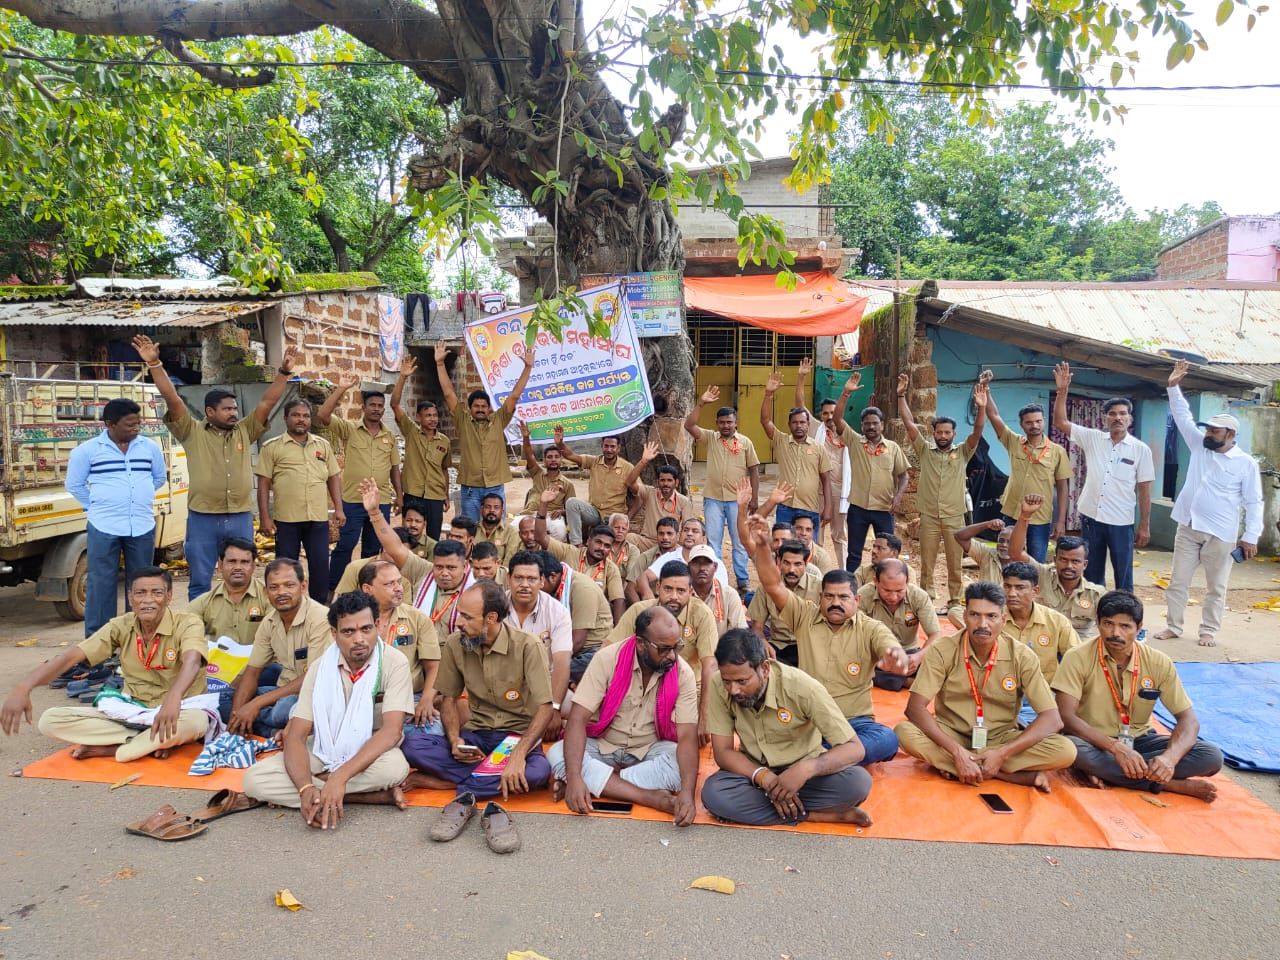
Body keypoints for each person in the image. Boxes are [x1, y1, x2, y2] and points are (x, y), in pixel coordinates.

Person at [134, 334, 296, 599]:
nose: (234, 413)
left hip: (240, 517)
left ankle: (239, 622)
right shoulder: (191, 432)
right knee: (200, 580)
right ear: (210, 412)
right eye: (227, 409)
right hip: (203, 519)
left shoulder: (244, 430)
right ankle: (199, 624)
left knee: (241, 579)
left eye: (235, 409)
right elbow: (172, 398)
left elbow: (267, 402)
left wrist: (284, 373)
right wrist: (155, 364)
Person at [744, 513, 908, 764]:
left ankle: (817, 760)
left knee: (887, 739)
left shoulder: (871, 628)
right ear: (820, 597)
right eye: (829, 597)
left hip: (854, 722)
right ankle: (837, 759)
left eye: (843, 597)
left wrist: (896, 655)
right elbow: (773, 585)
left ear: (856, 600)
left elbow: (889, 645)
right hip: (811, 721)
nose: (835, 603)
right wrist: (764, 545)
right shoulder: (805, 616)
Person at [240, 591, 414, 825]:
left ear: (377, 625)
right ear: (334, 633)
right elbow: (296, 734)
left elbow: (391, 732)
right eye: (348, 632)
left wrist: (339, 777)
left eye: (366, 629)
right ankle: (364, 796)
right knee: (255, 780)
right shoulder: (320, 668)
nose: (359, 639)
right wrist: (304, 787)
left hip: (371, 748)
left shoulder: (395, 663)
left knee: (394, 769)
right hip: (324, 744)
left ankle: (330, 791)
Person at [2, 567, 209, 761]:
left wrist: (174, 697)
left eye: (156, 593)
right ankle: (144, 743)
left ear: (169, 596)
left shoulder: (188, 623)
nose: (148, 600)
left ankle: (117, 749)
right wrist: (24, 687)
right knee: (50, 721)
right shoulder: (121, 625)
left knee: (197, 722)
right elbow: (69, 658)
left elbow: (192, 661)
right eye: (140, 593)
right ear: (130, 597)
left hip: (180, 709)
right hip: (133, 711)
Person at [407, 582, 554, 854]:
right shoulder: (455, 643)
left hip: (516, 739)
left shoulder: (527, 646)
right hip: (476, 736)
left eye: (466, 617)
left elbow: (546, 708)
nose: (458, 622)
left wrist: (519, 755)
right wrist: (455, 740)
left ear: (491, 618)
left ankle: (452, 786)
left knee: (537, 772)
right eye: (459, 614)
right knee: (412, 745)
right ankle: (481, 779)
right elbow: (449, 699)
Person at [895, 581, 1077, 793]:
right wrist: (957, 752)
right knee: (903, 732)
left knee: (1066, 750)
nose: (983, 624)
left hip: (1001, 738)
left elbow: (1052, 719)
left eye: (991, 616)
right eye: (975, 615)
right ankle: (1003, 774)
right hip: (952, 734)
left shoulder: (1022, 656)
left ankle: (968, 766)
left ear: (1003, 619)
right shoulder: (942, 650)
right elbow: (914, 708)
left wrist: (1002, 754)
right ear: (965, 617)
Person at [1053, 590, 1223, 801]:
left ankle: (1109, 773)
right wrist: (1115, 748)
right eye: (1108, 624)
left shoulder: (1158, 662)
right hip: (1092, 741)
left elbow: (1189, 720)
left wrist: (1169, 759)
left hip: (1140, 740)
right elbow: (1066, 717)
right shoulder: (1077, 657)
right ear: (1098, 622)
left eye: (1125, 626)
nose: (1115, 633)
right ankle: (1169, 784)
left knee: (1211, 755)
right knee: (1070, 749)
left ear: (1139, 627)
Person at [701, 629, 873, 827]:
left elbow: (854, 748)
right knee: (714, 794)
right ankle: (817, 815)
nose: (733, 690)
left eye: (742, 681)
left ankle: (769, 808)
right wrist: (764, 777)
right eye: (727, 681)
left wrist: (805, 770)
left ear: (765, 669)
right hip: (754, 774)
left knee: (858, 783)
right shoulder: (718, 685)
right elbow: (723, 752)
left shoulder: (803, 688)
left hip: (804, 777)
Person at [550, 606, 700, 823]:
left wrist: (687, 793)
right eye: (664, 649)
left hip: (648, 749)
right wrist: (574, 778)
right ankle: (649, 797)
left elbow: (687, 736)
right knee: (557, 753)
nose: (672, 656)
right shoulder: (607, 659)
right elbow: (577, 719)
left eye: (677, 647)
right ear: (640, 644)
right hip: (603, 744)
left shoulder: (682, 673)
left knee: (681, 768)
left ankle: (602, 783)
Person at [1154, 359, 1264, 647]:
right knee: (1178, 581)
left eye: (1215, 431)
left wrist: (1250, 536)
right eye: (1208, 429)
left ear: (1230, 435)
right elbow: (1182, 417)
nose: (1208, 434)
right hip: (1188, 527)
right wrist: (1173, 386)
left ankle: (1208, 631)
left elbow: (1254, 502)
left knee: (1216, 586)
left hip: (1221, 534)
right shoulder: (1199, 446)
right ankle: (1173, 626)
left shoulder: (1245, 463)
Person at [66, 396, 167, 638]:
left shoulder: (149, 448)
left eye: (138, 423)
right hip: (104, 525)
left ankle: (140, 638)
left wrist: (137, 497)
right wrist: (96, 505)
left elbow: (158, 478)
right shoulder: (87, 451)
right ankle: (100, 641)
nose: (136, 428)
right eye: (130, 424)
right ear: (110, 424)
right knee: (101, 584)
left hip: (141, 524)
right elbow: (74, 484)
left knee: (142, 584)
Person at [1051, 362, 1154, 591]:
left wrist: (1144, 525)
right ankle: (1092, 609)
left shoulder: (1141, 450)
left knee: (1123, 574)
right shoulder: (1093, 438)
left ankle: (1125, 610)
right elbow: (1060, 422)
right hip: (1091, 518)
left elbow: (1145, 491)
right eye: (1112, 414)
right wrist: (1062, 391)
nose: (1118, 418)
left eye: (1123, 414)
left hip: (1121, 521)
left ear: (1130, 419)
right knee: (1091, 574)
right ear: (1105, 418)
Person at [899, 373, 987, 618]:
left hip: (954, 517)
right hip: (928, 516)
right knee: (926, 562)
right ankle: (927, 600)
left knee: (954, 563)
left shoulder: (963, 452)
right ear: (934, 433)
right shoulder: (925, 450)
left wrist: (981, 407)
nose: (943, 436)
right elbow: (908, 423)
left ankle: (955, 601)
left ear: (954, 434)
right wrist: (901, 395)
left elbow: (978, 430)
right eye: (939, 432)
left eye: (947, 432)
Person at [606, 561, 720, 741]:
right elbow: (609, 650)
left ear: (690, 591)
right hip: (642, 685)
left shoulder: (702, 614)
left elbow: (710, 666)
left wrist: (705, 717)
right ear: (658, 587)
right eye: (668, 589)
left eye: (681, 591)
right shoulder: (639, 611)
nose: (674, 596)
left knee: (682, 734)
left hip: (687, 690)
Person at [316, 372, 403, 593]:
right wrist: (341, 388)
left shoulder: (389, 436)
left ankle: (368, 591)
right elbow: (323, 415)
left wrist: (399, 496)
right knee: (345, 545)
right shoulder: (350, 430)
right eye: (372, 405)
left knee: (373, 549)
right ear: (363, 407)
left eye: (380, 406)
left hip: (381, 501)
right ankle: (334, 589)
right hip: (353, 499)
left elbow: (394, 468)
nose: (376, 409)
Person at [227, 558, 332, 737]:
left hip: (315, 693)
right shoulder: (269, 622)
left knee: (282, 711)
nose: (281, 592)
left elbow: (313, 678)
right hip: (283, 691)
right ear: (266, 592)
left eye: (289, 585)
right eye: (274, 587)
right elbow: (252, 672)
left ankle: (275, 729)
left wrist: (255, 704)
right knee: (227, 699)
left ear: (303, 586)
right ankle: (275, 732)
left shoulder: (320, 618)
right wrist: (235, 717)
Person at [435, 339, 535, 522]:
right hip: (470, 488)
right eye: (476, 406)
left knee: (497, 529)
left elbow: (515, 395)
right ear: (470, 408)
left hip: (494, 487)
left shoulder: (499, 420)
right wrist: (440, 364)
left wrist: (528, 367)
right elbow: (449, 393)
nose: (480, 409)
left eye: (483, 406)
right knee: (471, 529)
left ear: (489, 408)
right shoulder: (463, 421)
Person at [255, 398, 343, 603]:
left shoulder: (322, 446)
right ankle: (288, 606)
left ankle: (319, 609)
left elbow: (333, 477)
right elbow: (263, 484)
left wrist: (339, 508)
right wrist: (265, 518)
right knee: (286, 569)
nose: (301, 419)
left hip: (317, 519)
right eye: (295, 415)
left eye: (305, 416)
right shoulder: (272, 447)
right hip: (287, 520)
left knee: (320, 566)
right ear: (286, 418)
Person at [981, 370, 1071, 562]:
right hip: (1012, 512)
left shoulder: (1057, 451)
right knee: (1008, 558)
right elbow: (994, 415)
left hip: (1039, 517)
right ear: (1022, 425)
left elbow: (1063, 488)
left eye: (1038, 421)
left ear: (1044, 421)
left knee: (1035, 562)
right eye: (1029, 422)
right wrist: (986, 388)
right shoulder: (1014, 442)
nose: (1034, 425)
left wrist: (1061, 521)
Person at [684, 387, 760, 591]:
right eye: (722, 422)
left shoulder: (745, 443)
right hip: (713, 498)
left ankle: (742, 581)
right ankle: (716, 580)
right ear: (717, 423)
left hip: (738, 500)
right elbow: (689, 425)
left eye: (729, 422)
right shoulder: (710, 438)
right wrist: (701, 403)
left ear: (736, 423)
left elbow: (754, 470)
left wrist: (754, 498)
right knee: (714, 542)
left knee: (740, 541)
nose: (726, 425)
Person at [836, 372, 911, 574]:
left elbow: (904, 475)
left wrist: (898, 497)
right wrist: (845, 393)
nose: (870, 426)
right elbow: (837, 419)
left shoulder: (893, 448)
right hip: (858, 508)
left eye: (875, 423)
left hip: (884, 510)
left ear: (882, 425)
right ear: (862, 426)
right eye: (867, 423)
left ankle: (885, 582)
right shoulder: (854, 441)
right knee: (854, 554)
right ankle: (851, 585)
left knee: (886, 554)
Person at [1010, 494, 1104, 641]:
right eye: (1063, 560)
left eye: (1075, 561)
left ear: (1085, 564)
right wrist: (1025, 516)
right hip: (1043, 643)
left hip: (1076, 649)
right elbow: (1016, 553)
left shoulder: (1096, 594)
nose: (1069, 566)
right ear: (1054, 560)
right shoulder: (1042, 574)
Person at [505, 551, 574, 738]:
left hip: (545, 687)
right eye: (518, 578)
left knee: (582, 714)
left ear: (542, 581)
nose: (525, 585)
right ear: (508, 579)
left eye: (532, 579)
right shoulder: (495, 607)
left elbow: (561, 664)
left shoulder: (558, 612)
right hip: (503, 685)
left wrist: (555, 708)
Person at [357, 560, 440, 713]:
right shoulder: (350, 619)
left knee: (433, 727)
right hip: (359, 699)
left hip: (409, 699)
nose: (398, 588)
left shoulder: (417, 618)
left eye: (399, 582)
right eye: (389, 584)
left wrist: (426, 701)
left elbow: (433, 666)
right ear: (367, 589)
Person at [761, 369, 834, 539]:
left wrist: (828, 507)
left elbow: (826, 480)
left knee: (807, 547)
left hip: (810, 508)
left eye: (802, 422)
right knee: (783, 544)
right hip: (785, 507)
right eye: (795, 423)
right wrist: (768, 394)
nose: (799, 426)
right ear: (789, 425)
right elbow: (765, 420)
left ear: (808, 424)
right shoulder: (781, 441)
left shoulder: (818, 448)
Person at [794, 358, 851, 568]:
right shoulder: (816, 429)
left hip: (840, 490)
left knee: (839, 535)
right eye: (825, 413)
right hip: (817, 489)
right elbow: (800, 405)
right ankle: (816, 572)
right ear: (820, 415)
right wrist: (802, 377)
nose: (829, 416)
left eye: (833, 413)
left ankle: (843, 572)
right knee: (816, 532)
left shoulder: (848, 435)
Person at [535, 492, 626, 621]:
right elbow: (540, 537)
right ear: (588, 541)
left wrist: (618, 630)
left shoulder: (611, 569)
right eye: (598, 542)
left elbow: (619, 601)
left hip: (591, 617)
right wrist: (543, 504)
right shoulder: (569, 552)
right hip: (562, 613)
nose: (601, 548)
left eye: (607, 546)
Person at [391, 355, 452, 540]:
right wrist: (403, 377)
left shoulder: (444, 441)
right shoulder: (411, 432)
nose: (433, 419)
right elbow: (394, 404)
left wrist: (446, 494)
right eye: (428, 415)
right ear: (418, 417)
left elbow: (444, 470)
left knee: (433, 536)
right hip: (413, 494)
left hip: (435, 495)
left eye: (435, 415)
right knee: (409, 535)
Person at [859, 559, 940, 691]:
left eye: (899, 591)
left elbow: (935, 634)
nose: (893, 597)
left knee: (941, 662)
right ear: (875, 581)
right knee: (854, 666)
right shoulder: (862, 596)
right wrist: (880, 659)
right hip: (876, 655)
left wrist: (918, 657)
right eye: (886, 590)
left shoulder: (919, 597)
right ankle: (905, 681)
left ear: (907, 582)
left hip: (910, 653)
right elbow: (854, 635)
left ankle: (894, 679)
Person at [745, 535, 820, 667]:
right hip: (778, 647)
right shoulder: (767, 588)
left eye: (797, 564)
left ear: (806, 563)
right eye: (786, 563)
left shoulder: (819, 587)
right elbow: (757, 627)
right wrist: (763, 641)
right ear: (779, 561)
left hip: (809, 647)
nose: (791, 570)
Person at [540, 551, 614, 682]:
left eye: (537, 580)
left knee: (550, 672)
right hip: (565, 645)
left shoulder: (583, 588)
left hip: (590, 650)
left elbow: (578, 641)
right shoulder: (556, 586)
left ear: (552, 577)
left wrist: (549, 663)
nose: (534, 586)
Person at [999, 562, 1078, 684]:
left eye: (1020, 587)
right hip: (1004, 687)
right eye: (1007, 586)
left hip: (1047, 689)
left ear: (1035, 591)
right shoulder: (992, 619)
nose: (1011, 594)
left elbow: (1077, 659)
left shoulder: (1057, 621)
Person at [556, 427, 634, 546]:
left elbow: (640, 494)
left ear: (618, 448)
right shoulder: (594, 461)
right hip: (595, 512)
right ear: (601, 446)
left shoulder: (627, 467)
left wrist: (628, 517)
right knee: (572, 503)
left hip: (614, 515)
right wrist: (560, 444)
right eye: (606, 446)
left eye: (612, 446)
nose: (609, 450)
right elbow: (571, 455)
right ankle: (577, 545)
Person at [189, 537, 267, 648]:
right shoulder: (204, 602)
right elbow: (186, 631)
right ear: (220, 565)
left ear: (253, 566)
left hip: (260, 658)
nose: (238, 567)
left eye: (244, 562)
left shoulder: (269, 597)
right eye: (232, 561)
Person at [624, 445, 695, 551]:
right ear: (658, 482)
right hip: (649, 541)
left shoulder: (683, 501)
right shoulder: (649, 493)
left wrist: (677, 542)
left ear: (676, 483)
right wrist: (643, 461)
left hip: (671, 543)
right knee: (629, 538)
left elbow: (687, 527)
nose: (665, 484)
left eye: (669, 480)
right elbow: (629, 483)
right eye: (662, 480)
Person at [518, 419, 576, 542]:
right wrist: (526, 438)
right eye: (549, 457)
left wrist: (561, 511)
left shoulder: (568, 484)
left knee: (560, 532)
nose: (553, 460)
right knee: (513, 528)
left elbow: (571, 509)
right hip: (530, 513)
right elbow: (529, 455)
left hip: (551, 517)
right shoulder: (537, 472)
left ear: (561, 460)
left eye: (556, 457)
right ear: (544, 460)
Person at [332, 527, 416, 598]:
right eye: (398, 551)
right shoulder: (356, 567)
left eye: (405, 553)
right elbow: (340, 602)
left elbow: (404, 609)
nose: (401, 556)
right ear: (385, 546)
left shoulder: (406, 577)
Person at [689, 545, 748, 636]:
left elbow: (739, 633)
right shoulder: (681, 593)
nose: (702, 568)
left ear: (715, 567)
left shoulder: (729, 595)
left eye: (707, 563)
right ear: (688, 567)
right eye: (696, 563)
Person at [626, 516, 680, 602]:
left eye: (669, 533)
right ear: (657, 535)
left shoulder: (684, 555)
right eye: (661, 533)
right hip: (651, 602)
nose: (665, 537)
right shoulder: (646, 557)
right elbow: (630, 589)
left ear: (677, 536)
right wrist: (642, 607)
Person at [953, 519, 1012, 586]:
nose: (1004, 545)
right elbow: (959, 536)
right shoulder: (987, 554)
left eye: (1010, 542)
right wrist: (987, 524)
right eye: (1001, 541)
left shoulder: (1021, 563)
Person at [476, 491, 521, 566]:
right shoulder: (472, 529)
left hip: (500, 572)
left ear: (502, 511)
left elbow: (509, 562)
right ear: (481, 510)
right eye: (488, 507)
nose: (492, 510)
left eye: (496, 507)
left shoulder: (511, 532)